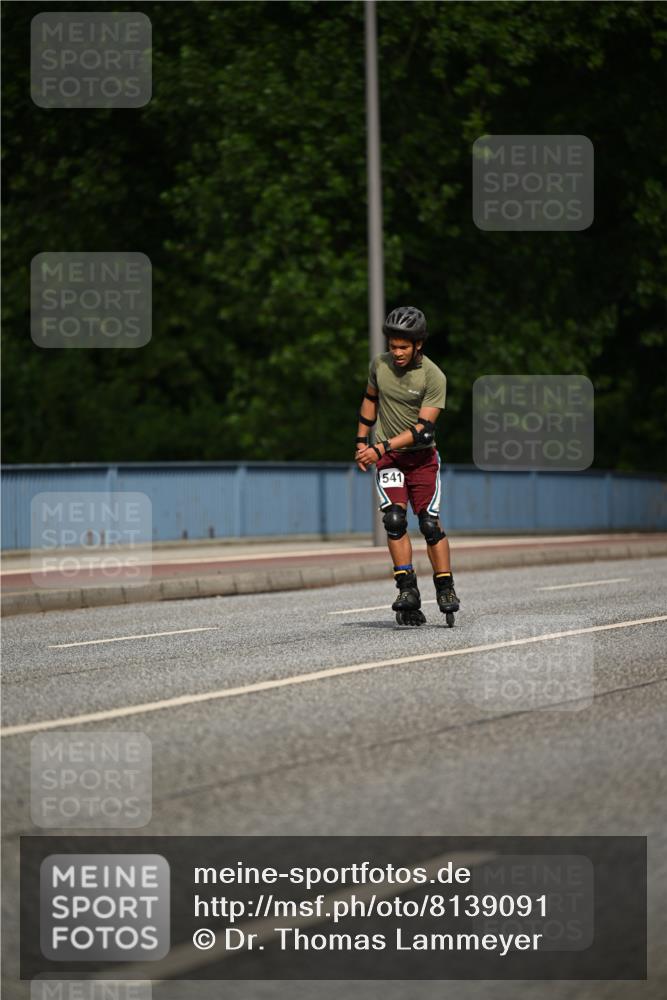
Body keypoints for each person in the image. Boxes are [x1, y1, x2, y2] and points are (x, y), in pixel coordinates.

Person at [355, 305, 460, 626]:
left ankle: (445, 586)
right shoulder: (379, 365)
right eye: (392, 345)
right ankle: (407, 590)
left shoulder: (433, 376)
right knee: (395, 520)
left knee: (428, 523)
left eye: (403, 346)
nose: (396, 352)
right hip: (389, 459)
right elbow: (370, 399)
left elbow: (423, 429)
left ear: (419, 345)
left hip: (422, 459)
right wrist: (361, 442)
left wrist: (380, 446)